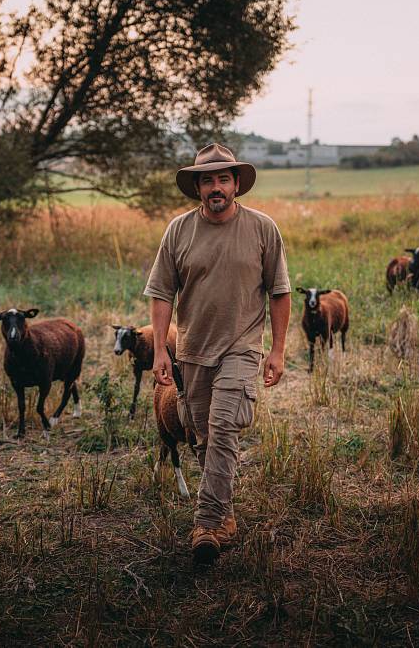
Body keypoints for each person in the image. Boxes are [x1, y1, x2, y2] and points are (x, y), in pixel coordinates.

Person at [144, 142, 291, 565]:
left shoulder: (263, 229)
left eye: (223, 178)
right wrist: (160, 350)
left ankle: (206, 523)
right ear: (197, 187)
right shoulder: (179, 231)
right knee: (201, 436)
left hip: (241, 349)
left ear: (237, 184)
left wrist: (277, 350)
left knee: (224, 426)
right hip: (192, 351)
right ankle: (225, 515)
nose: (215, 186)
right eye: (207, 179)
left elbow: (279, 291)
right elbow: (160, 293)